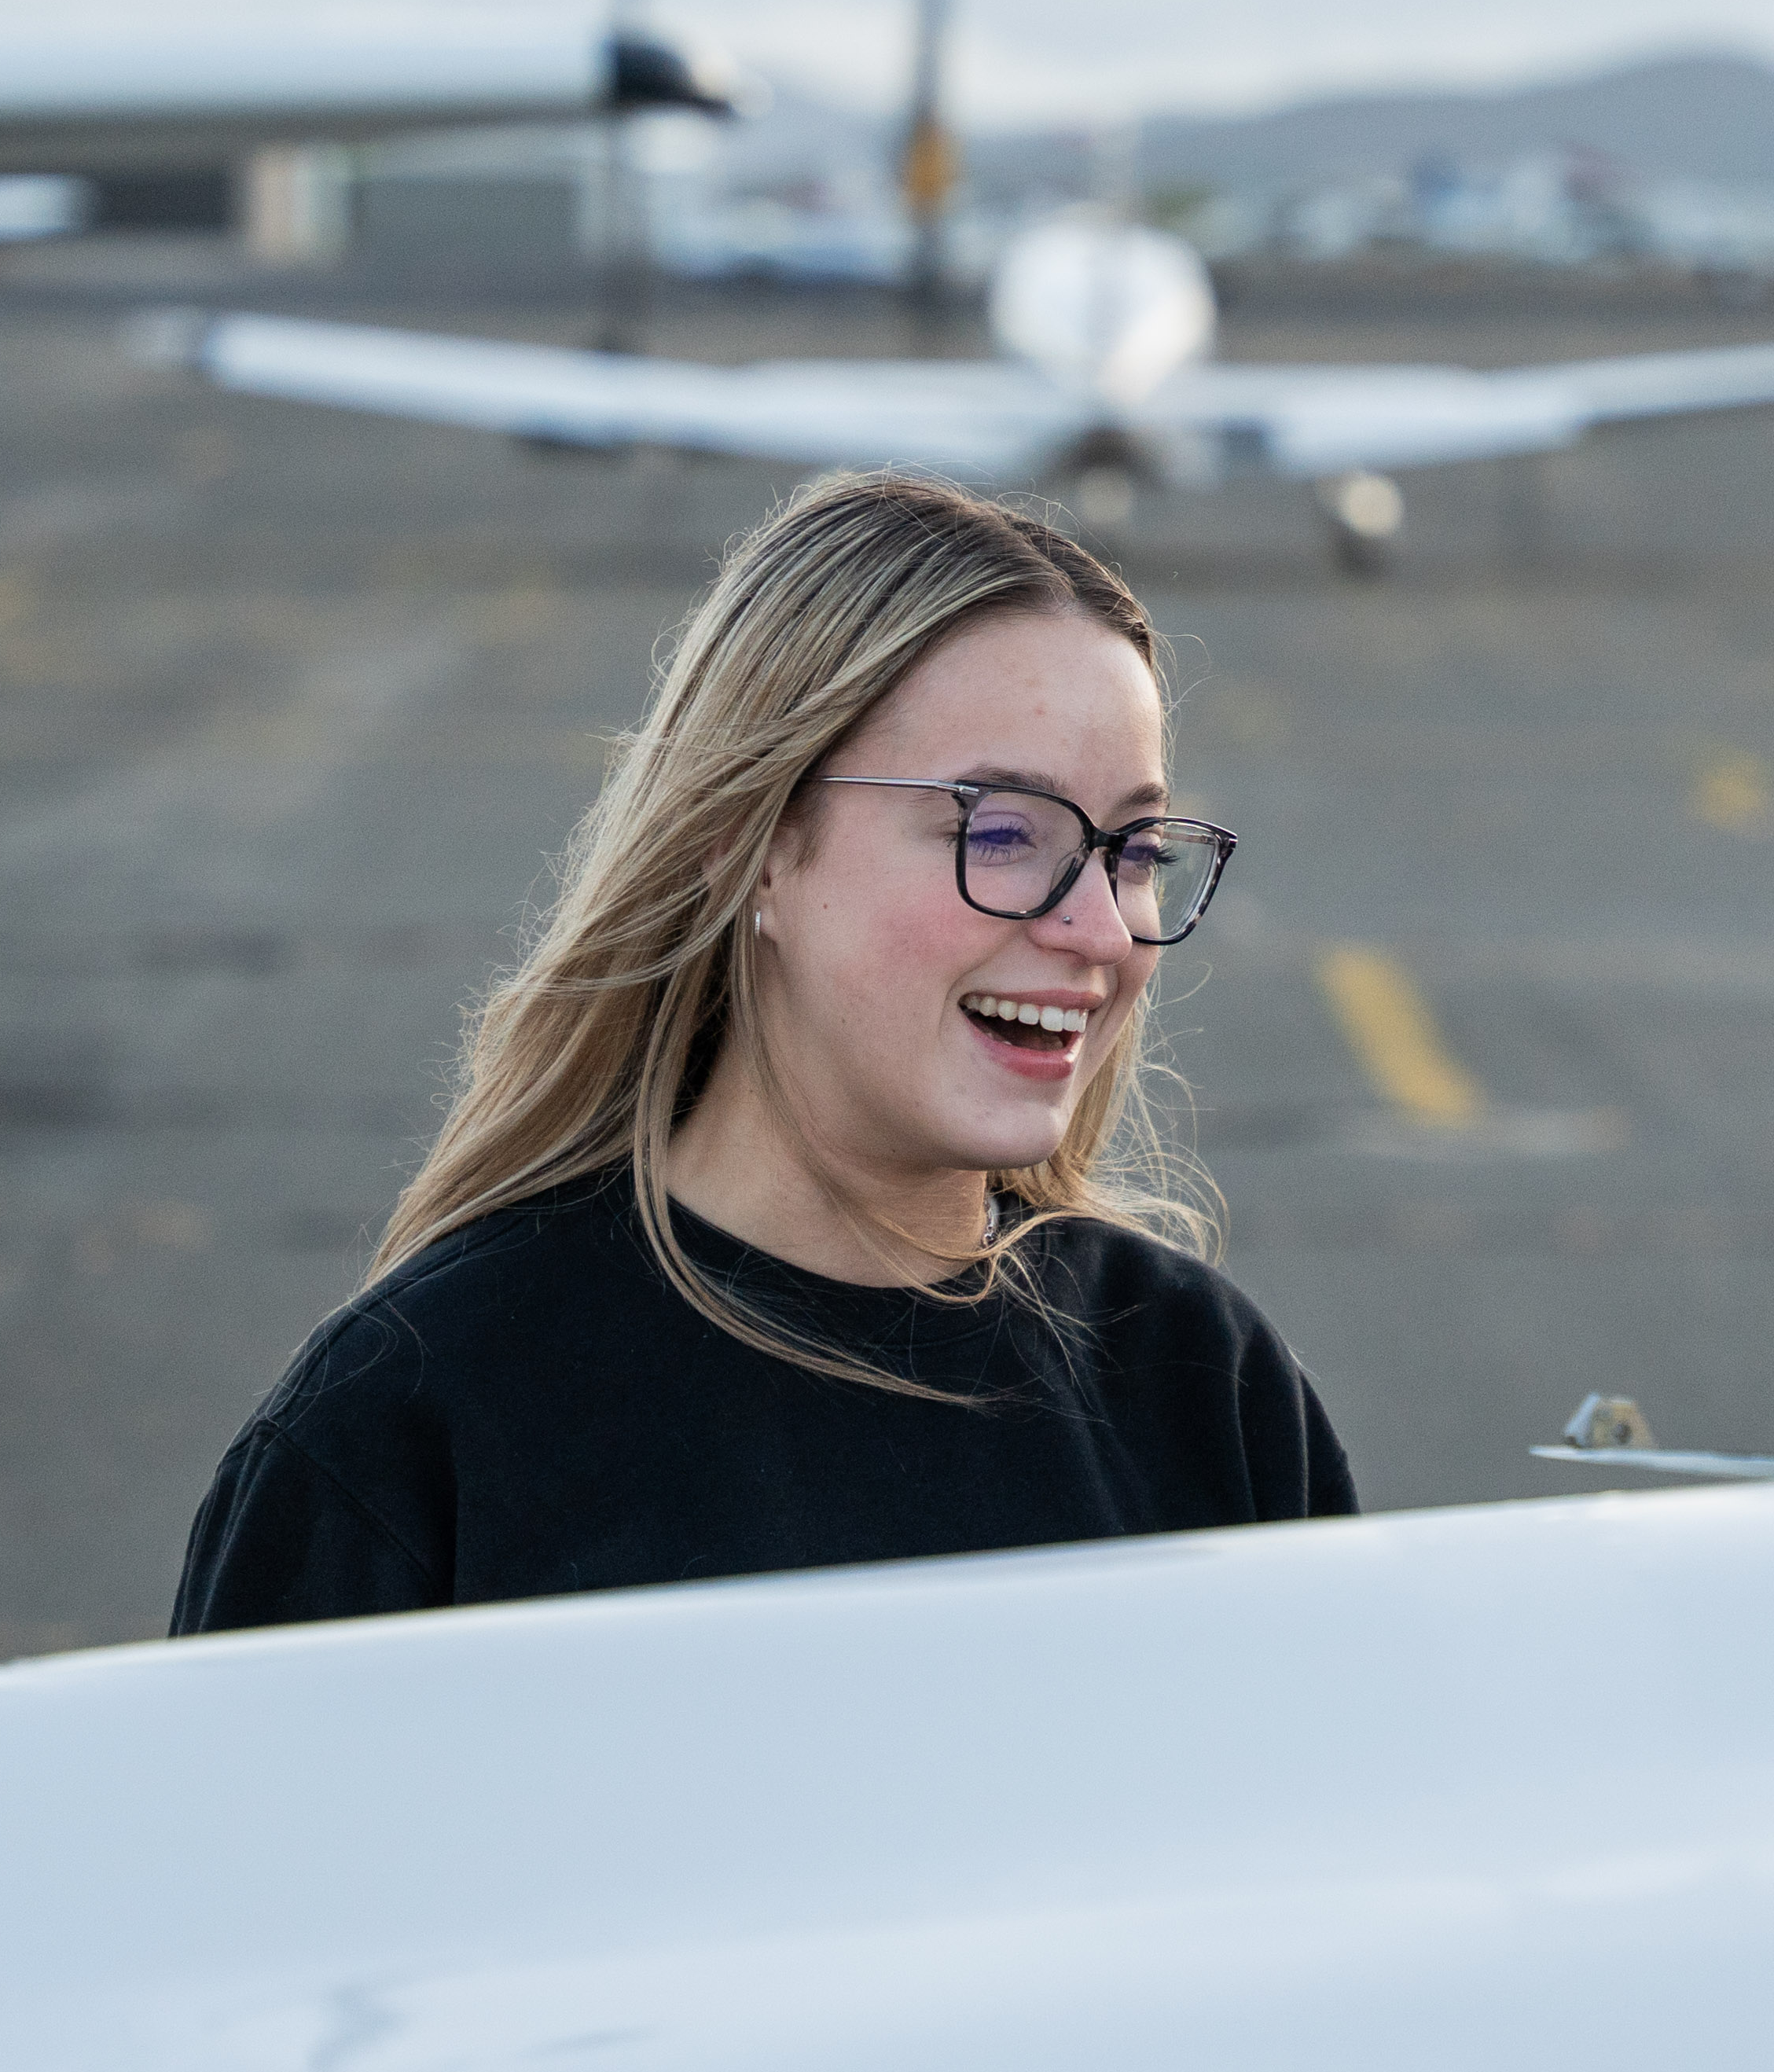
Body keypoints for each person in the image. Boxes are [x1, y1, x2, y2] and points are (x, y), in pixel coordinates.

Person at [172, 468, 1352, 1630]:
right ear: (750, 849)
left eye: (1136, 851)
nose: (1099, 928)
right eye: (999, 833)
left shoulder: (1204, 1389)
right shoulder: (412, 1422)